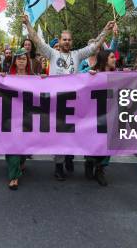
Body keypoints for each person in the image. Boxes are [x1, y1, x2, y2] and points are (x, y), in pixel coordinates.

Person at [23, 13, 115, 181]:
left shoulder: (77, 55)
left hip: (74, 102)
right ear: (59, 41)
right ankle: (59, 166)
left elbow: (94, 48)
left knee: (74, 133)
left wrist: (106, 31)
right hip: (56, 102)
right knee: (58, 135)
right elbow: (36, 40)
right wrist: (28, 23)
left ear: (72, 42)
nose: (67, 42)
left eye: (69, 40)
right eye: (64, 39)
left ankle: (69, 157)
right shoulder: (51, 53)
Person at [85, 49, 117, 186]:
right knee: (94, 141)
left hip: (111, 114)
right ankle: (90, 162)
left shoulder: (117, 74)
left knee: (107, 142)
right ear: (104, 59)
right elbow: (76, 79)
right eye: (111, 57)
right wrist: (88, 75)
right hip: (94, 115)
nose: (115, 59)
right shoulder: (93, 72)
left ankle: (100, 169)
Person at [1, 47, 31, 190]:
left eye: (24, 58)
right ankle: (13, 176)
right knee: (12, 145)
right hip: (10, 118)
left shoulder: (35, 77)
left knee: (23, 145)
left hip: (28, 118)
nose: (21, 61)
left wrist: (44, 79)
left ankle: (21, 161)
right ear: (14, 61)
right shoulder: (7, 76)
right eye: (18, 58)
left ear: (27, 62)